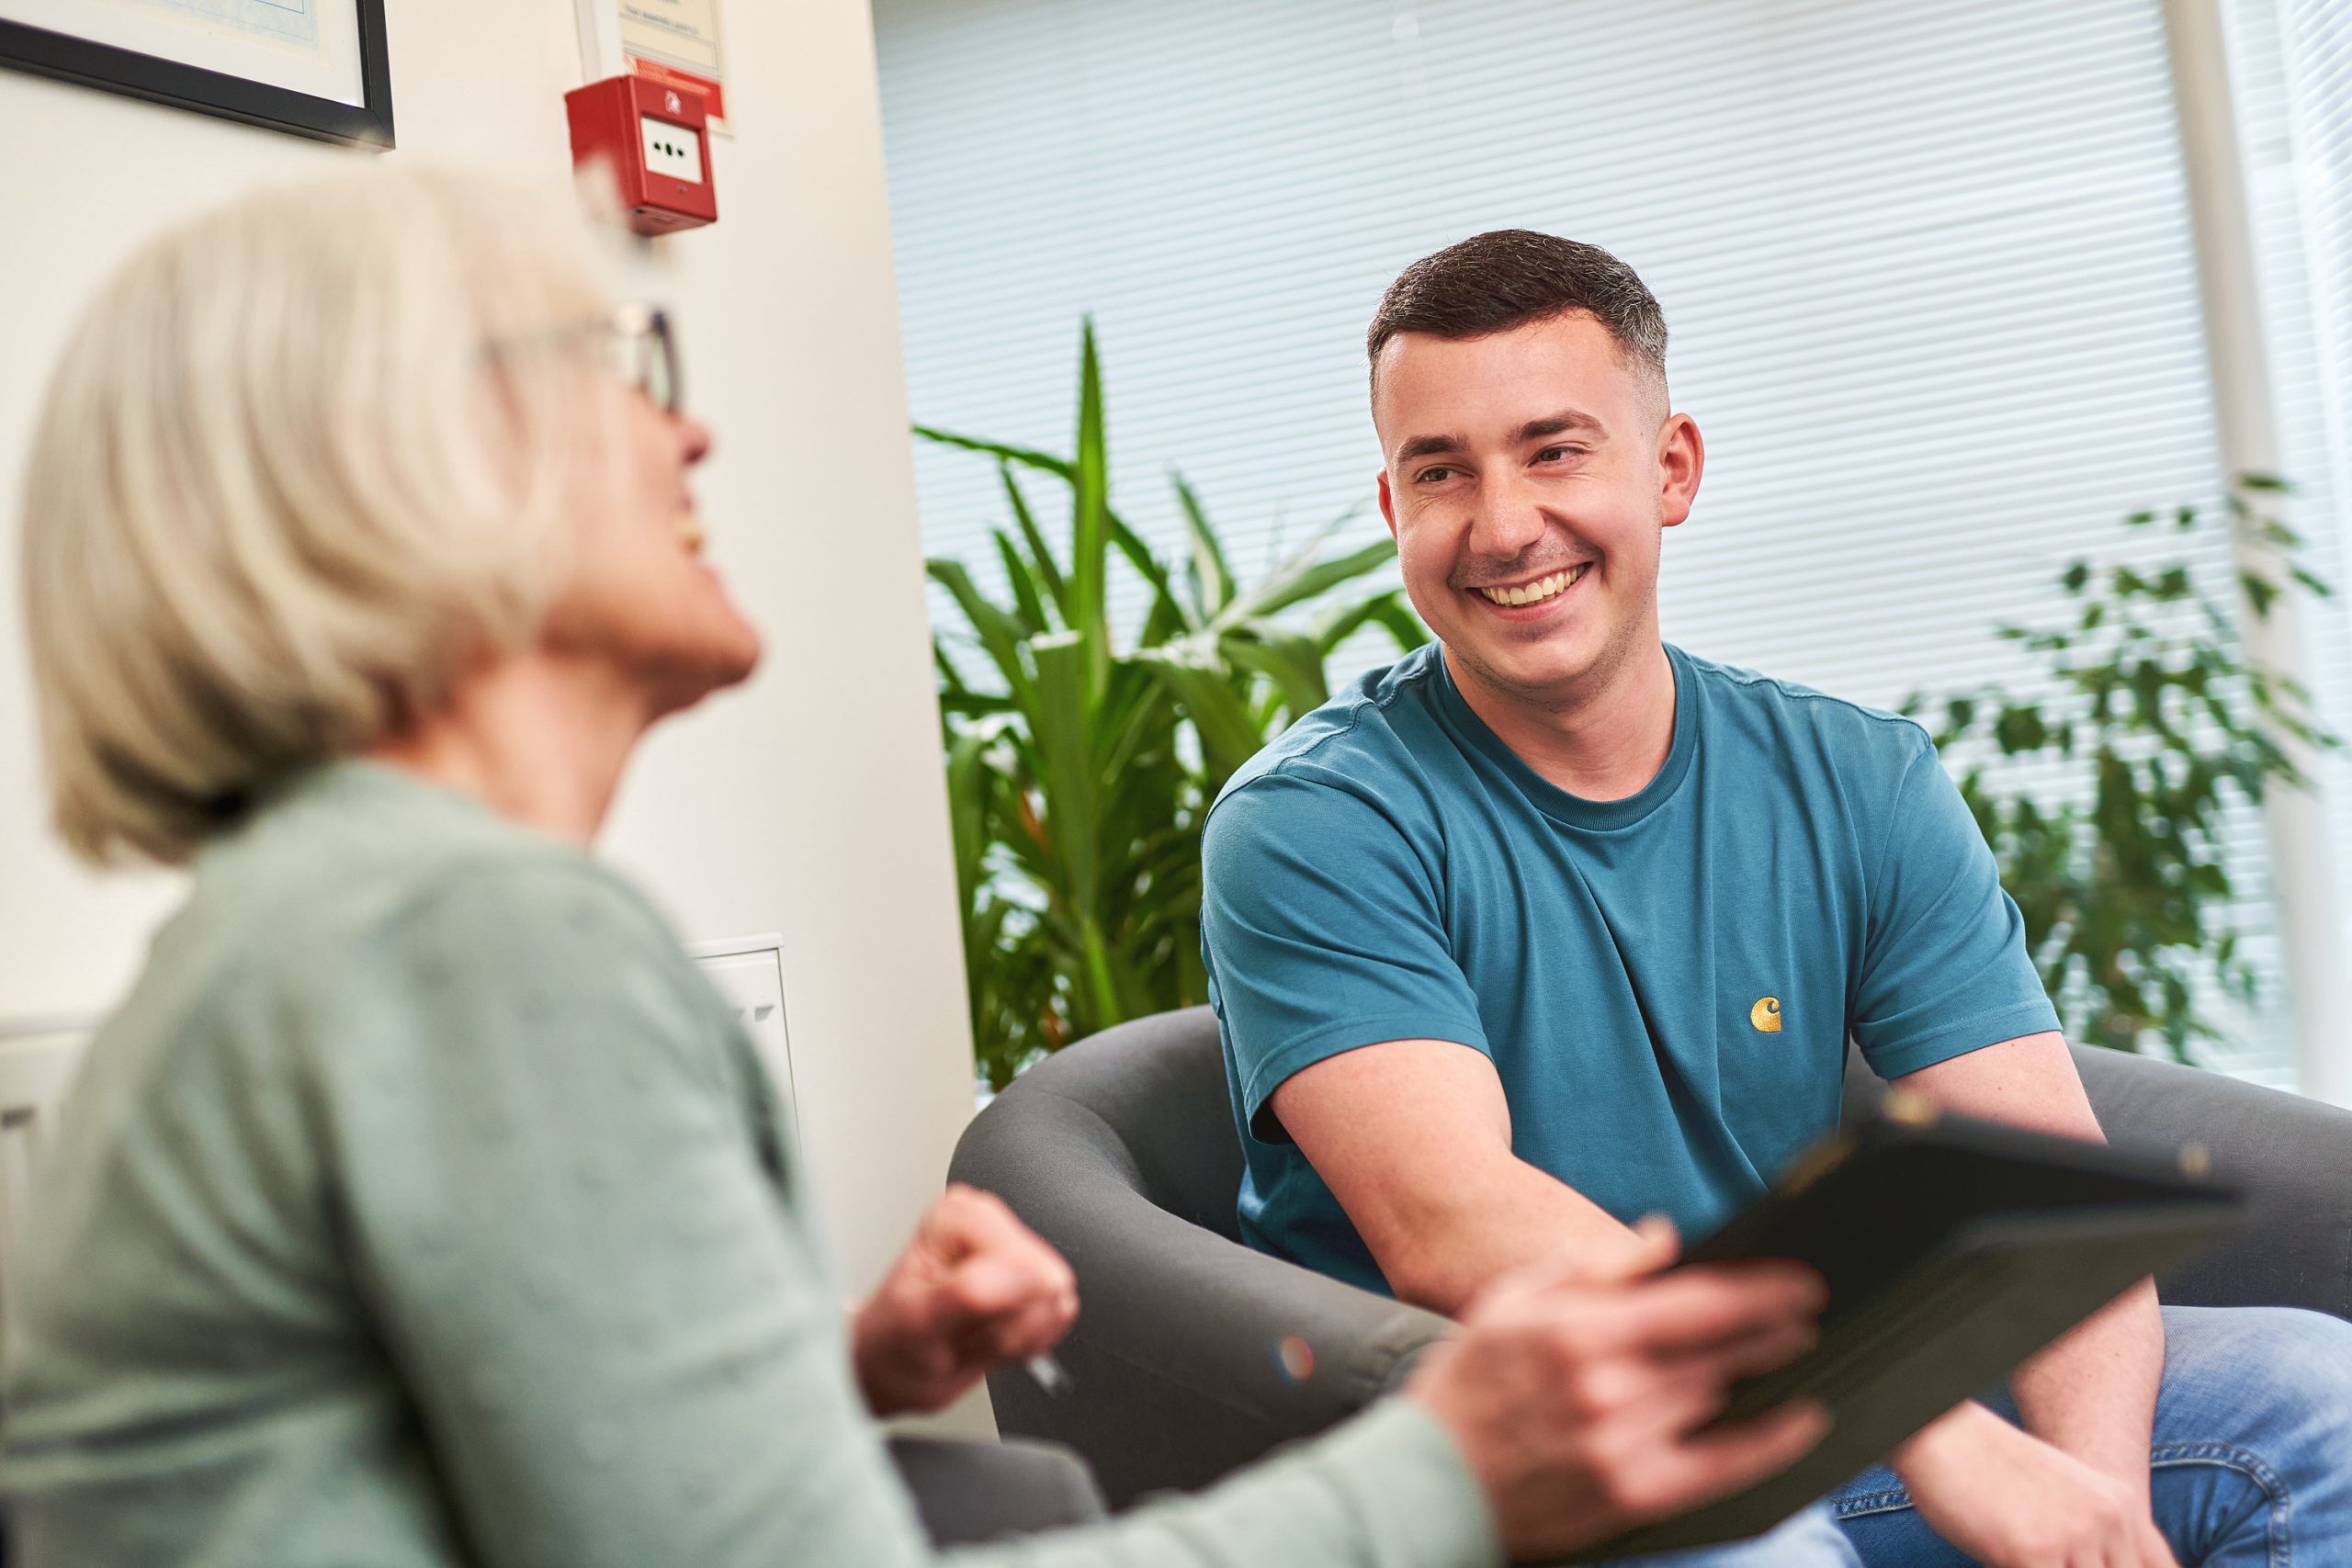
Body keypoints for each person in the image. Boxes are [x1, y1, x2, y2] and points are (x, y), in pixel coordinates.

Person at [0, 171, 1838, 1568]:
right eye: (614, 367)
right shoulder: (461, 937)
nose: (691, 424)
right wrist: (1452, 1459)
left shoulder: (343, 917)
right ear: (393, 467)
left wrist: (834, 1368)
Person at [1200, 229, 2352, 1568]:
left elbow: (2055, 1208)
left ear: (1671, 467)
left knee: (2315, 1403)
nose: (1503, 524)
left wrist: (2090, 1511)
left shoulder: (1856, 778)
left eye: (1555, 449)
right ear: (1395, 513)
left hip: (1809, 1409)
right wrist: (1934, 1432)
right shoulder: (1316, 821)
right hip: (1523, 1448)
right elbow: (1461, 1225)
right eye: (1441, 471)